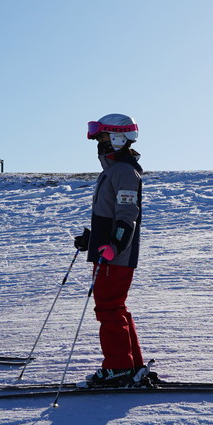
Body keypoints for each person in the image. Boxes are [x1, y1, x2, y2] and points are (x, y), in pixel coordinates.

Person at [75, 114, 150, 386]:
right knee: (115, 308)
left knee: (108, 309)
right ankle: (131, 366)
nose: (99, 143)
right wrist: (93, 240)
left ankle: (118, 368)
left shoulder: (123, 171)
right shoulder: (114, 169)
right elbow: (111, 213)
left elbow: (127, 214)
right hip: (109, 252)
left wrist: (114, 244)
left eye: (103, 138)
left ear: (119, 138)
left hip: (116, 256)